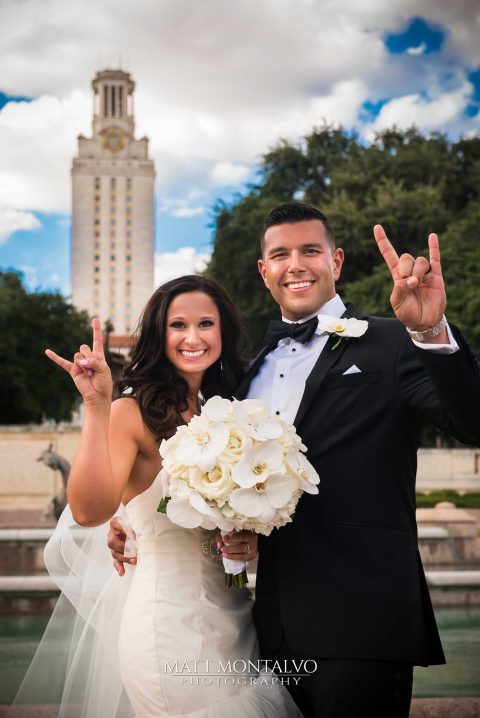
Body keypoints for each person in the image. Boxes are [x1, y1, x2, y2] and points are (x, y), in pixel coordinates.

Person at [109, 205, 480, 718]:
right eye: (280, 254)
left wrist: (433, 329)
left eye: (310, 250)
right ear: (264, 271)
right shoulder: (241, 375)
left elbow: (472, 421)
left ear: (337, 261)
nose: (296, 264)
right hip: (266, 630)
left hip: (362, 619)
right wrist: (135, 514)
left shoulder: (395, 340)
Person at [10, 275, 301, 718]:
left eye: (206, 323)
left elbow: (237, 520)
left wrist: (247, 542)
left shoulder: (232, 413)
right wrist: (96, 406)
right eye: (177, 325)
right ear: (158, 335)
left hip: (237, 617)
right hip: (169, 627)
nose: (192, 337)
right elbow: (90, 511)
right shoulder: (130, 411)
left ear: (223, 331)